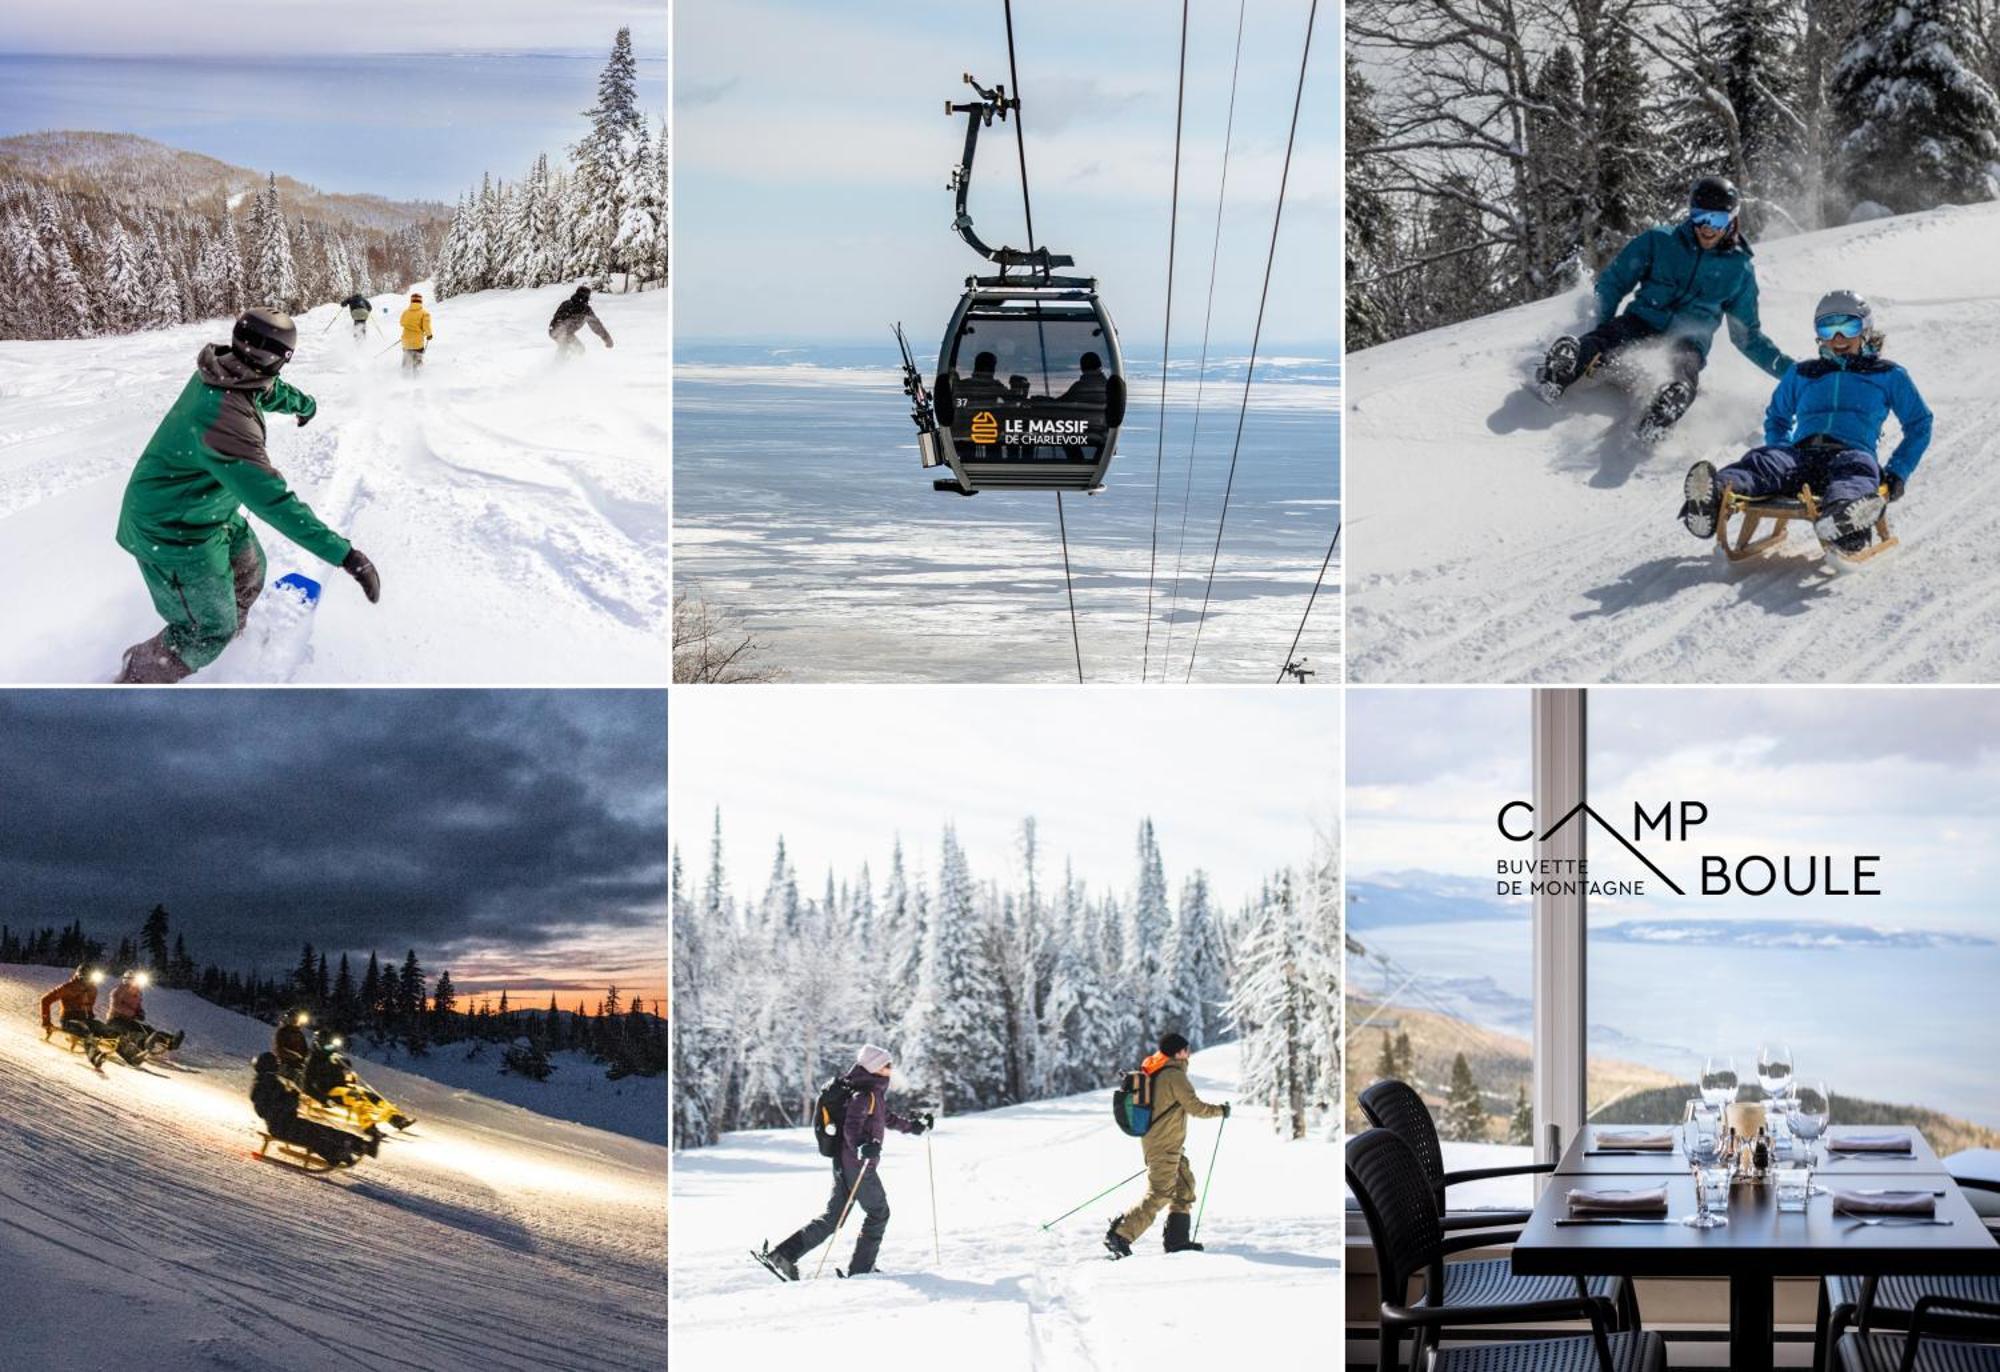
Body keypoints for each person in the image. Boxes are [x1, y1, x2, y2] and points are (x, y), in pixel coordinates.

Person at [113, 307, 381, 683]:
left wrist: (305, 406)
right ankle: (137, 677)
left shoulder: (227, 369)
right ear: (280, 359)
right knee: (207, 631)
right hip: (172, 532)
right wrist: (347, 556)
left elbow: (264, 390)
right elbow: (274, 501)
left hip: (206, 513)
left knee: (250, 571)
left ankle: (228, 630)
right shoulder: (226, 422)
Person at [1680, 289, 1932, 558]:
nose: (1838, 338)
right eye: (1827, 329)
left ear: (1866, 328)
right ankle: (1713, 497)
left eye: (1848, 326)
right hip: (1801, 454)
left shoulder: (1888, 375)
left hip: (1851, 453)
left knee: (1856, 476)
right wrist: (1780, 448)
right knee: (1764, 461)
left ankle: (1844, 520)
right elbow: (1777, 417)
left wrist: (1897, 472)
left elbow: (1920, 423)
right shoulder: (1802, 373)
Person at [1536, 176, 1792, 439]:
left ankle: (1663, 411)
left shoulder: (1739, 270)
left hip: (1688, 342)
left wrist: (1792, 373)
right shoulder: (1658, 242)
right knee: (1605, 338)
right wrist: (1600, 324)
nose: (1707, 228)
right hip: (1640, 321)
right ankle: (1561, 370)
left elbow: (1747, 337)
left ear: (1732, 220)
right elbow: (1613, 283)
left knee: (1684, 370)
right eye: (1700, 217)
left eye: (1717, 220)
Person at [757, 1044, 933, 1279]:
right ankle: (861, 1269)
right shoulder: (864, 1095)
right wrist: (861, 1145)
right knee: (878, 1213)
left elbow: (887, 1118)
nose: (890, 1070)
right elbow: (852, 1128)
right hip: (857, 1166)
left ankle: (784, 1255)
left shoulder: (872, 1094)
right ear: (874, 1068)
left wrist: (914, 1126)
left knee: (833, 1218)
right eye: (886, 1066)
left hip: (846, 1163)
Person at [1105, 1032, 1229, 1259]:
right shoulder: (1174, 1075)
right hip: (1164, 1145)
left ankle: (1177, 1241)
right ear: (1180, 1052)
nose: (1189, 1054)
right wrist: (1220, 1110)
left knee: (1184, 1186)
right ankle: (1121, 1234)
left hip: (1166, 1144)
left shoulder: (1159, 1072)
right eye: (1187, 1050)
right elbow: (1195, 1107)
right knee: (1161, 1192)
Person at [250, 1052, 376, 1167]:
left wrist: (291, 1097)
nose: (277, 1068)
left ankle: (357, 1144)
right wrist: (291, 1099)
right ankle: (338, 1152)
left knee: (321, 1129)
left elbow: (282, 1101)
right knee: (314, 1135)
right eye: (275, 1065)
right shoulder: (261, 1086)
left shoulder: (270, 1082)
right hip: (280, 1127)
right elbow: (265, 1110)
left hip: (289, 1121)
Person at [104, 968, 183, 1065]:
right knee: (132, 1032)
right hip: (115, 1020)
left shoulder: (136, 993)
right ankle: (144, 1042)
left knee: (147, 1029)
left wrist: (141, 1013)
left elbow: (138, 1007)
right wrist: (133, 1013)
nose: (136, 983)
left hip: (129, 1020)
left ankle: (170, 1040)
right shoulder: (117, 991)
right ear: (128, 980)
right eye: (134, 981)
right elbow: (116, 1006)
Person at [40, 965, 112, 1068]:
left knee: (103, 1028)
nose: (89, 982)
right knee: (83, 1028)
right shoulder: (68, 987)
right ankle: (95, 1055)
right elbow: (45, 1000)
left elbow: (89, 1005)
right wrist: (46, 1021)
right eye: (87, 979)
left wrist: (90, 1015)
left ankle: (131, 1054)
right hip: (68, 1020)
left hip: (84, 1019)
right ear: (81, 977)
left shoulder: (92, 989)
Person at [548, 285, 614, 358]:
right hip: (560, 331)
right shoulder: (584, 309)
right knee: (569, 347)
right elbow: (596, 326)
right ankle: (559, 365)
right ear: (586, 297)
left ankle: (566, 363)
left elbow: (596, 325)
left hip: (554, 330)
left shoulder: (567, 303)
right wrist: (607, 338)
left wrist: (606, 338)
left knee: (578, 349)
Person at [273, 1009, 312, 1079]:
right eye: (293, 1018)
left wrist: (309, 1055)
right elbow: (279, 1048)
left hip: (298, 1065)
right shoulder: (283, 1032)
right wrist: (293, 1055)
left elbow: (304, 1048)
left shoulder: (299, 1034)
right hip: (285, 1063)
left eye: (296, 1019)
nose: (295, 1021)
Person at [400, 291, 433, 372]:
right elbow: (426, 326)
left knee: (406, 360)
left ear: (411, 301)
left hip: (406, 341)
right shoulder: (424, 313)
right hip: (417, 342)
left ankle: (403, 378)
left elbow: (401, 322)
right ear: (420, 301)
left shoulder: (405, 312)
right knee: (417, 362)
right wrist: (429, 335)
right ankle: (417, 379)